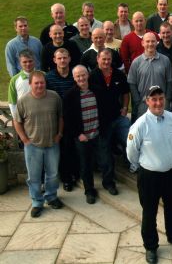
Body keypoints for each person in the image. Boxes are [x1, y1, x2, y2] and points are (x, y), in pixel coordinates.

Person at [126, 86, 172, 264]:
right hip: (149, 176)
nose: (158, 102)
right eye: (153, 99)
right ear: (147, 101)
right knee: (149, 212)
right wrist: (145, 164)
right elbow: (132, 152)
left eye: (161, 98)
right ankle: (151, 246)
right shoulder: (140, 125)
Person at [14, 71, 64, 218]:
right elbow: (17, 121)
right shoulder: (23, 101)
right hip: (32, 145)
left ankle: (51, 197)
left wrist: (59, 134)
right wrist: (24, 139)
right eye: (36, 83)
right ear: (30, 84)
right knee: (34, 177)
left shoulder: (54, 97)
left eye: (42, 82)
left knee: (53, 174)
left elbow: (60, 116)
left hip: (52, 144)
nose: (40, 85)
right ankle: (37, 202)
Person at [63, 65, 112, 204]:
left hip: (98, 133)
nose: (81, 78)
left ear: (88, 75)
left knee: (105, 160)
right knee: (86, 165)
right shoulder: (69, 95)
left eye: (83, 75)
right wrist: (79, 134)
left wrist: (102, 129)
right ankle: (89, 190)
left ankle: (108, 183)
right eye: (78, 76)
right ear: (74, 78)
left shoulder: (98, 91)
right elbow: (67, 119)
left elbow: (105, 111)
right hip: (82, 137)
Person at [89, 48, 131, 194]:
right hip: (101, 121)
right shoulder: (92, 77)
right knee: (105, 152)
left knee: (130, 139)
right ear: (98, 59)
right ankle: (108, 182)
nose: (106, 62)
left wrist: (125, 107)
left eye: (108, 59)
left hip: (118, 117)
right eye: (103, 59)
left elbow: (126, 92)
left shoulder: (119, 75)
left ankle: (130, 164)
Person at [45, 48, 78, 192]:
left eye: (65, 58)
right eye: (59, 58)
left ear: (69, 59)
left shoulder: (75, 75)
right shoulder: (49, 77)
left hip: (74, 117)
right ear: (54, 60)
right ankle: (66, 178)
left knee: (74, 147)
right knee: (63, 149)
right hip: (56, 118)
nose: (62, 60)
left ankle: (75, 173)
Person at [128, 32, 172, 122]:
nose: (150, 44)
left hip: (161, 103)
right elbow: (132, 83)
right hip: (144, 104)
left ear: (157, 43)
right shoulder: (136, 62)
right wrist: (138, 101)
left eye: (153, 41)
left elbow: (169, 81)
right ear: (143, 43)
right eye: (147, 41)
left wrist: (167, 99)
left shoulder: (165, 60)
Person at [8, 49, 35, 119]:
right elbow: (12, 102)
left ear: (34, 60)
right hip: (24, 118)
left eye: (30, 61)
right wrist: (17, 119)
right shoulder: (14, 80)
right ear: (20, 63)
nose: (28, 64)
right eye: (24, 62)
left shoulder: (44, 76)